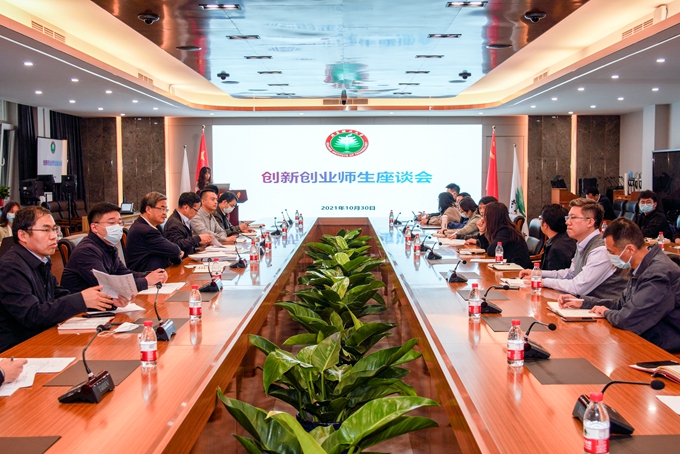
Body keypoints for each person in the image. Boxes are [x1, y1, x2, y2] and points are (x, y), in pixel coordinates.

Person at [0, 206, 122, 352]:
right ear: (23, 235)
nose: (54, 236)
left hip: (42, 339)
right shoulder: (11, 267)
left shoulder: (40, 260)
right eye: (46, 230)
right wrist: (81, 300)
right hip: (19, 349)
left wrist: (103, 300)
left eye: (54, 229)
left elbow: (57, 295)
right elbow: (32, 315)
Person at [558, 218, 680, 353]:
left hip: (663, 350)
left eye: (611, 252)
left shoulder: (658, 274)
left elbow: (627, 319)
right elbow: (621, 304)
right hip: (645, 341)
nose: (609, 257)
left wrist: (606, 312)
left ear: (630, 249)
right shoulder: (642, 267)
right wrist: (583, 302)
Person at [519, 198, 627, 299]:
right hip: (585, 306)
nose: (567, 222)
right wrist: (538, 274)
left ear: (590, 222)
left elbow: (577, 287)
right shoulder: (581, 243)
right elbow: (570, 274)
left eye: (573, 218)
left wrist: (542, 282)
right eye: (568, 217)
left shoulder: (601, 250)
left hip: (604, 309)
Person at [61, 202, 168, 293]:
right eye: (112, 222)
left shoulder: (108, 246)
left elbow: (124, 274)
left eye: (119, 223)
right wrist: (146, 281)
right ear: (94, 227)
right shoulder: (86, 251)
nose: (117, 227)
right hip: (83, 309)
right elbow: (107, 286)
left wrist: (150, 275)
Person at [126, 192, 184, 272]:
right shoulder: (145, 230)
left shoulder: (154, 226)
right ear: (148, 209)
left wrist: (175, 254)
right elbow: (174, 250)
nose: (164, 213)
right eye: (161, 209)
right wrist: (176, 253)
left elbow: (169, 251)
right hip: (147, 275)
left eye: (166, 210)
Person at [475, 202, 532, 269]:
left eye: (485, 216)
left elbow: (491, 251)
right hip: (509, 265)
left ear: (492, 218)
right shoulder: (500, 228)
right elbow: (486, 249)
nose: (483, 219)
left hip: (518, 268)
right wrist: (482, 231)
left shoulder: (506, 230)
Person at [164, 192, 213, 257]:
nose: (197, 213)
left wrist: (198, 243)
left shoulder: (184, 220)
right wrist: (198, 238)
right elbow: (177, 244)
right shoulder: (174, 223)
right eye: (196, 210)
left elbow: (186, 242)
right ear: (186, 207)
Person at [538, 204, 577, 271]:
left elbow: (554, 275)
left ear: (545, 225)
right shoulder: (567, 238)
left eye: (540, 218)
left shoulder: (556, 250)